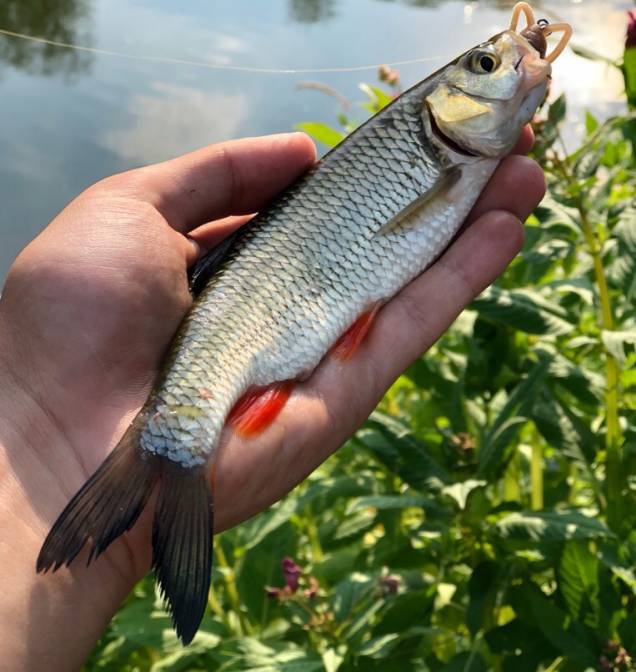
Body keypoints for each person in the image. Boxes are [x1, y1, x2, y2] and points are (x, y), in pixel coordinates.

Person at [0, 128, 544, 669]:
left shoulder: (457, 150)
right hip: (252, 304)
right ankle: (160, 460)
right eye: (486, 64)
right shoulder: (435, 144)